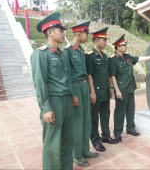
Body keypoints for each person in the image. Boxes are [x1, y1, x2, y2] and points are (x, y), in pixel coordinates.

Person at [30, 12, 73, 169]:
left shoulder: (61, 54)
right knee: (52, 144)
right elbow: (40, 83)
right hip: (54, 102)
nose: (63, 33)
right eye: (60, 30)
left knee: (68, 140)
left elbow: (66, 78)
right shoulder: (40, 54)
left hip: (67, 100)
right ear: (50, 32)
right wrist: (46, 108)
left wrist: (72, 96)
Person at [109, 34, 150, 142]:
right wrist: (116, 90)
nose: (125, 47)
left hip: (130, 87)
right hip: (121, 90)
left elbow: (140, 58)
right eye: (123, 45)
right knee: (119, 111)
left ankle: (130, 128)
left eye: (126, 45)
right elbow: (112, 76)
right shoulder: (113, 60)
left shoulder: (128, 57)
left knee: (130, 109)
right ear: (117, 47)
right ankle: (117, 132)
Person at [63, 21, 99, 167]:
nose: (87, 36)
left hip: (84, 88)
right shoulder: (68, 51)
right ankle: (76, 155)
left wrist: (90, 91)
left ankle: (85, 150)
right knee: (77, 124)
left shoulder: (81, 51)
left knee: (86, 121)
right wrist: (72, 95)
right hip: (76, 88)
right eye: (85, 33)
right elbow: (67, 75)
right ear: (78, 34)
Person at [86, 27, 118, 152]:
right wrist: (92, 92)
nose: (105, 42)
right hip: (96, 92)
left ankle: (106, 136)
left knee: (105, 114)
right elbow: (90, 76)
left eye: (106, 39)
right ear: (97, 40)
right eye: (104, 40)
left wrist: (110, 88)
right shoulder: (90, 56)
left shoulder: (104, 56)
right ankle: (95, 140)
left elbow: (106, 75)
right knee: (94, 117)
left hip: (105, 90)